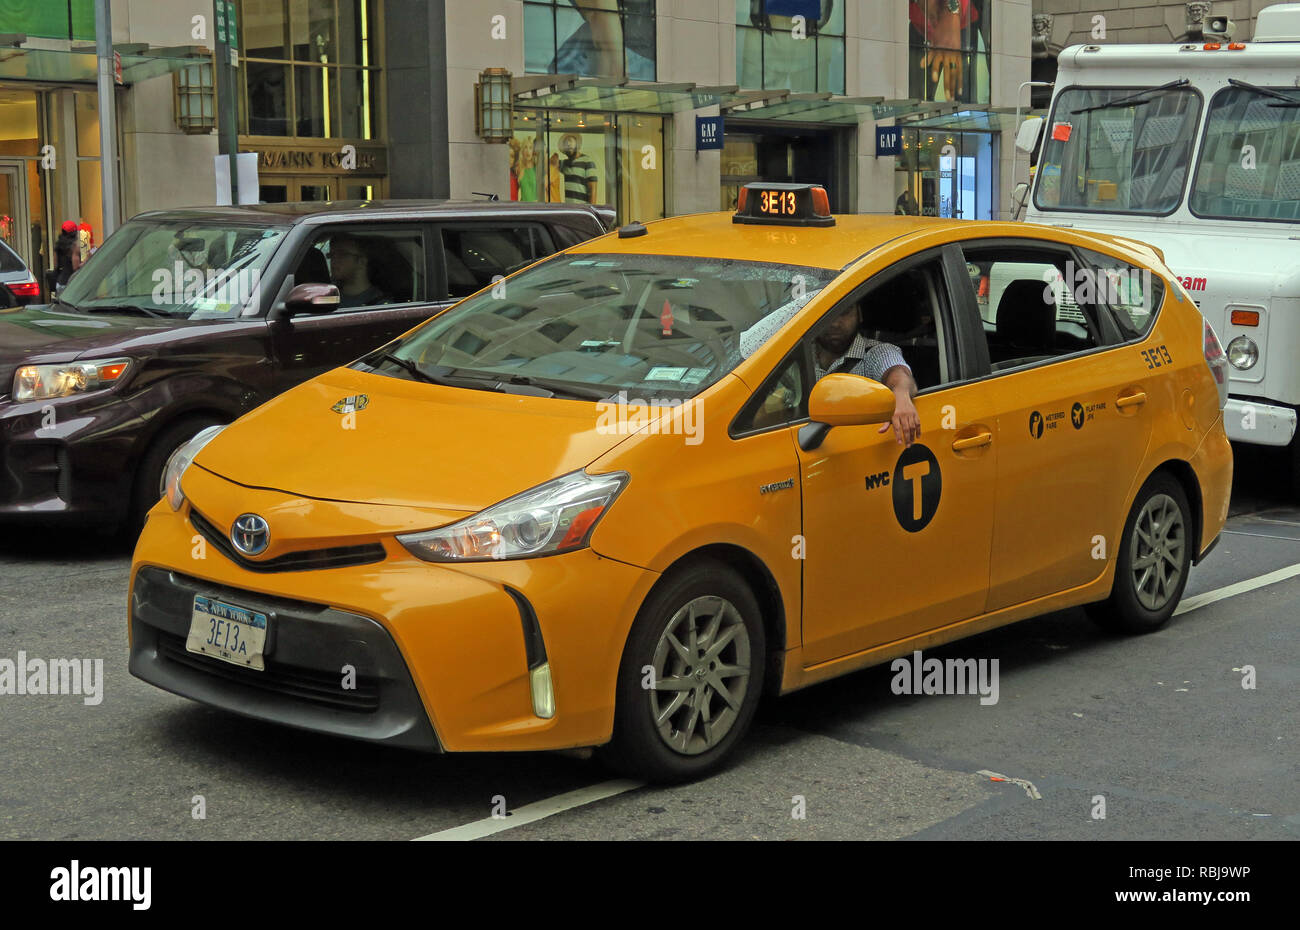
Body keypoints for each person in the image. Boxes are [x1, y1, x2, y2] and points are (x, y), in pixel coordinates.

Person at [748, 302, 921, 445]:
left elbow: (898, 373)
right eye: (827, 315)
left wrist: (900, 396)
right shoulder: (794, 358)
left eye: (845, 313)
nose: (835, 323)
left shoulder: (875, 353)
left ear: (859, 314)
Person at [328, 234, 386, 308]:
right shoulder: (327, 297)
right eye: (331, 255)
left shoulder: (381, 305)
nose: (333, 260)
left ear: (361, 262)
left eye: (342, 254)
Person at [558, 133, 598, 204]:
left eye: (570, 141)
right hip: (568, 209)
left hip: (582, 209)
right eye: (565, 143)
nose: (568, 144)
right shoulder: (564, 164)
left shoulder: (587, 161)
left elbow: (593, 190)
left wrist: (591, 211)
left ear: (577, 143)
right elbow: (550, 163)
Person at [53, 220, 81, 292]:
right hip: (71, 284)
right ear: (74, 234)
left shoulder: (57, 247)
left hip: (59, 283)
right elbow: (76, 268)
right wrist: (88, 258)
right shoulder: (74, 248)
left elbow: (55, 266)